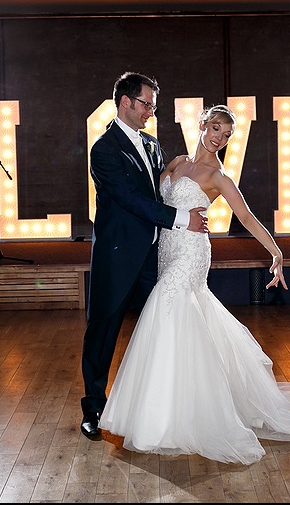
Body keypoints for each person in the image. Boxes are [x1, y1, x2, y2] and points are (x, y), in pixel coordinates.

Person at [98, 104, 290, 465]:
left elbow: (245, 215)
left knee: (165, 312)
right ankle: (173, 408)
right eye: (216, 129)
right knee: (181, 326)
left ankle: (171, 420)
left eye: (227, 134)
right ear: (201, 125)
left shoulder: (218, 177)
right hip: (166, 251)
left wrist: (276, 253)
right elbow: (151, 202)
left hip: (191, 255)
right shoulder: (176, 162)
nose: (220, 138)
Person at [81, 72, 209, 441]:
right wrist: (183, 219)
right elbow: (128, 199)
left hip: (156, 257)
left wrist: (187, 184)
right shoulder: (104, 149)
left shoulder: (153, 146)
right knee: (103, 332)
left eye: (153, 105)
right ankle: (94, 408)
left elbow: (160, 193)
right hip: (118, 257)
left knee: (164, 328)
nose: (151, 112)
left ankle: (162, 407)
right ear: (125, 102)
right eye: (146, 104)